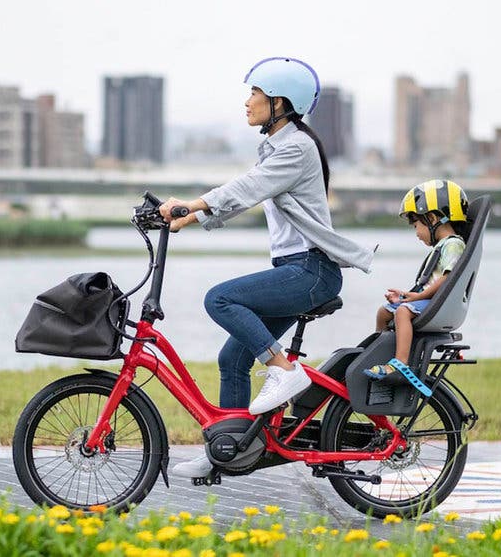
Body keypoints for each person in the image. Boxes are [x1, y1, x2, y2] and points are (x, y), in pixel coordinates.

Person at [159, 57, 373, 478]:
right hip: (298, 270)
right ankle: (230, 447)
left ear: (280, 101)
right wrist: (190, 217)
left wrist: (194, 202)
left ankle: (282, 371)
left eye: (254, 94)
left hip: (311, 272)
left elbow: (248, 187)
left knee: (220, 298)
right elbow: (244, 195)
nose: (247, 102)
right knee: (232, 359)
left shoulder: (297, 147)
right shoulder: (278, 147)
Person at [363, 179, 468, 382]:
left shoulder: (453, 244)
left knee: (402, 312)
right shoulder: (444, 245)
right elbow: (434, 284)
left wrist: (415, 299)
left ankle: (400, 363)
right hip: (433, 300)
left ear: (431, 218)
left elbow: (447, 280)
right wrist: (407, 296)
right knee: (384, 312)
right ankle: (380, 355)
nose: (417, 233)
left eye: (416, 225)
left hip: (441, 304)